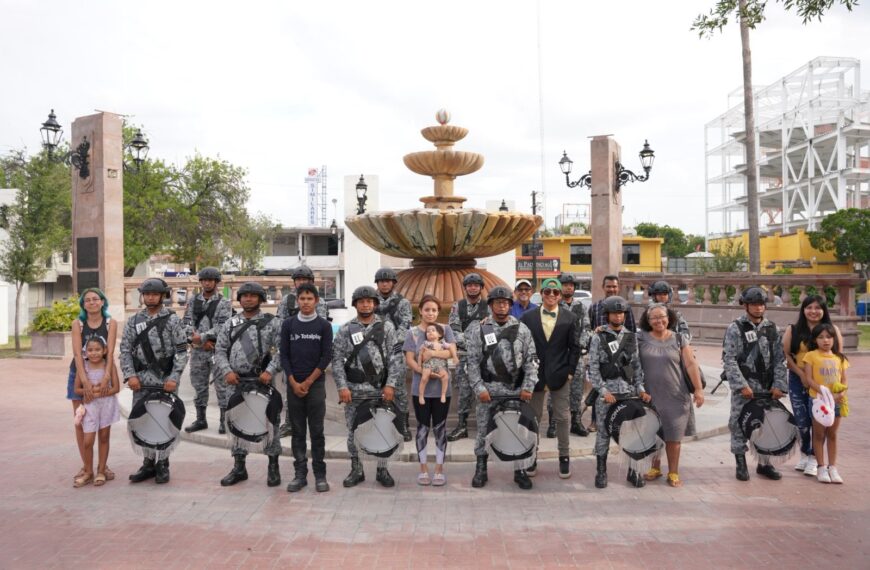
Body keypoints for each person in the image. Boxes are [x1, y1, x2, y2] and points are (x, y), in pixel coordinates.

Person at [467, 286, 538, 490]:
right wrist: (479, 388)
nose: (502, 306)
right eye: (498, 302)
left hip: (516, 391)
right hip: (489, 391)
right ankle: (481, 469)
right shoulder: (481, 329)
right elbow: (471, 363)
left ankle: (520, 470)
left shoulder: (522, 329)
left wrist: (528, 386)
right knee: (483, 432)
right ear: (490, 305)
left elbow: (531, 360)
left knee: (519, 431)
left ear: (510, 304)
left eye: (506, 302)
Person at [333, 286, 404, 488]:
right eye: (361, 301)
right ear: (355, 304)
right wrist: (341, 387)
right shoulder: (346, 329)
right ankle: (357, 469)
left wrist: (390, 385)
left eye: (369, 301)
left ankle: (382, 469)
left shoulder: (387, 328)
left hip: (380, 390)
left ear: (375, 304)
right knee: (353, 431)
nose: (366, 304)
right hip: (353, 391)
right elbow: (337, 360)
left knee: (383, 429)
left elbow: (396, 359)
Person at [215, 282, 284, 488]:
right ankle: (239, 467)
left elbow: (282, 351)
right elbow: (219, 350)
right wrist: (226, 371)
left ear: (261, 299)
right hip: (235, 383)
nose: (248, 299)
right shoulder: (230, 323)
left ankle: (273, 466)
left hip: (262, 382)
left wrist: (269, 371)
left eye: (253, 296)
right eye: (244, 296)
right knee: (236, 424)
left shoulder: (272, 323)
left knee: (270, 424)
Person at [120, 278, 189, 484]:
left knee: (164, 422)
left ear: (162, 296)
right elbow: (125, 349)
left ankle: (163, 464)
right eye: (147, 294)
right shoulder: (133, 321)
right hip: (140, 381)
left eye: (155, 294)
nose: (150, 297)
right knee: (143, 421)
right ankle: (148, 463)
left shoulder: (172, 320)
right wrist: (130, 374)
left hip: (165, 381)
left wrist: (174, 377)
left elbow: (181, 350)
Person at [722, 286, 788, 482]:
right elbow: (730, 360)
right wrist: (741, 385)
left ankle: (764, 463)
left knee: (767, 425)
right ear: (746, 306)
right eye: (754, 304)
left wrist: (779, 384)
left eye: (761, 304)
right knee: (738, 424)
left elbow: (779, 359)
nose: (758, 308)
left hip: (767, 387)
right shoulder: (736, 328)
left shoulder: (772, 329)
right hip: (745, 387)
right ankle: (740, 462)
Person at [637, 303, 704, 487]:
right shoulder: (640, 338)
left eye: (662, 316)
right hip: (649, 395)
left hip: (676, 395)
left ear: (669, 318)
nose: (658, 320)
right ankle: (655, 468)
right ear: (648, 321)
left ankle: (673, 472)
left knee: (673, 437)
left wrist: (698, 389)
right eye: (654, 318)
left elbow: (691, 364)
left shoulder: (679, 339)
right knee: (653, 433)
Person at [521, 277, 581, 479]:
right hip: (535, 376)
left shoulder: (570, 317)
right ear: (541, 293)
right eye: (548, 292)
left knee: (563, 418)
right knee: (533, 418)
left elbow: (574, 348)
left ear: (560, 295)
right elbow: (521, 344)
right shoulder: (528, 317)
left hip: (560, 374)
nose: (552, 296)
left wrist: (570, 371)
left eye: (556, 293)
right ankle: (531, 456)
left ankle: (564, 457)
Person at [587, 296, 649, 489]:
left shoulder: (631, 337)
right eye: (614, 313)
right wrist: (603, 391)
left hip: (628, 394)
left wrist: (640, 389)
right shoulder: (598, 337)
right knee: (604, 433)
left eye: (620, 313)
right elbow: (593, 368)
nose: (618, 316)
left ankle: (633, 471)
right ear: (607, 315)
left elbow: (637, 366)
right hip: (607, 396)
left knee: (631, 432)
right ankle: (601, 471)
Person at [279, 283, 333, 493]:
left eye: (310, 299)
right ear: (297, 301)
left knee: (317, 432)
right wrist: (293, 382)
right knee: (298, 432)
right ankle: (300, 474)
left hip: (315, 385)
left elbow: (326, 356)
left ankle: (320, 475)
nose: (306, 302)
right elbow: (284, 355)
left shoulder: (323, 326)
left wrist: (309, 382)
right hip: (294, 385)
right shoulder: (288, 325)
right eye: (302, 299)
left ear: (316, 301)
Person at [781, 295, 843, 476]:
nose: (813, 311)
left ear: (824, 310)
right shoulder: (793, 330)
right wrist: (801, 375)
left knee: (820, 419)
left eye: (818, 307)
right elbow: (786, 355)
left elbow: (838, 359)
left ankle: (815, 458)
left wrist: (838, 387)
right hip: (797, 379)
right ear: (803, 310)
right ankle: (805, 453)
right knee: (802, 420)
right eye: (809, 307)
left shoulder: (832, 331)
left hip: (823, 384)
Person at [404, 295, 458, 486]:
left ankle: (439, 469)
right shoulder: (413, 333)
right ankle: (424, 469)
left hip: (442, 390)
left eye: (434, 310)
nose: (430, 313)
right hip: (421, 391)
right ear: (420, 311)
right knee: (422, 429)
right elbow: (409, 358)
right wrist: (422, 370)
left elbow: (451, 352)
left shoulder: (446, 330)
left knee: (441, 428)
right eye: (427, 309)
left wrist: (432, 355)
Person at [69, 288, 118, 484]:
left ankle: (102, 467)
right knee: (82, 422)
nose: (91, 302)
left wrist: (107, 377)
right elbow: (77, 354)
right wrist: (85, 381)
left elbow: (111, 353)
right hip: (80, 374)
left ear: (102, 302)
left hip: (104, 374)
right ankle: (87, 466)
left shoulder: (110, 323)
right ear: (83, 304)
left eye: (95, 299)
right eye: (87, 300)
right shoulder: (78, 324)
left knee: (103, 426)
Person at [276, 265, 330, 439]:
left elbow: (318, 321)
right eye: (298, 279)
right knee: (289, 391)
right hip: (292, 348)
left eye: (305, 280)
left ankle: (316, 427)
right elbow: (280, 323)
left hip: (313, 350)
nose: (301, 282)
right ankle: (289, 423)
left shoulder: (318, 301)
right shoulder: (287, 300)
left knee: (317, 397)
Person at [181, 267, 233, 434]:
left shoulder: (224, 303)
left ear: (216, 282)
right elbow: (186, 324)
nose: (207, 283)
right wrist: (197, 341)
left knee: (222, 386)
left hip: (218, 350)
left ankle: (224, 421)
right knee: (199, 385)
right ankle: (201, 419)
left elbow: (224, 326)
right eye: (204, 280)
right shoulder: (193, 301)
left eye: (210, 280)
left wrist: (202, 336)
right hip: (198, 351)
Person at [586, 275, 635, 434]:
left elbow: (631, 330)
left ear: (618, 287)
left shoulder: (625, 307)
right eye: (608, 286)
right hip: (602, 352)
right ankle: (595, 421)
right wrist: (597, 332)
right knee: (598, 390)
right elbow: (589, 330)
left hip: (621, 355)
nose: (611, 289)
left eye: (614, 286)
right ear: (603, 287)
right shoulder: (594, 308)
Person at [801, 323, 849, 484]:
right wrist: (824, 392)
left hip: (836, 402)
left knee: (833, 434)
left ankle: (832, 467)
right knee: (819, 434)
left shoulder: (839, 358)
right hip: (818, 401)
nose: (825, 340)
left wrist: (840, 393)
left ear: (834, 339)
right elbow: (809, 379)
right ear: (815, 340)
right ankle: (821, 467)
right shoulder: (811, 356)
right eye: (821, 337)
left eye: (828, 337)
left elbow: (844, 380)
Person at [446, 273, 490, 442]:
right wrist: (472, 343)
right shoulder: (458, 306)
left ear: (480, 287)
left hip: (483, 357)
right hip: (464, 355)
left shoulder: (488, 307)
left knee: (484, 390)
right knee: (464, 391)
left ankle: (485, 425)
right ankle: (462, 425)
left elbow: (492, 329)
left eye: (476, 285)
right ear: (465, 288)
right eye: (469, 285)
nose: (472, 287)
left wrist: (478, 346)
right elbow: (453, 330)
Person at [72, 336, 121, 488]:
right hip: (90, 407)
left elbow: (116, 388)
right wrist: (96, 389)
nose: (94, 353)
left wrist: (94, 392)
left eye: (98, 350)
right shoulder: (84, 367)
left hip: (106, 405)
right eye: (90, 350)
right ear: (86, 352)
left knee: (104, 437)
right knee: (88, 441)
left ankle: (101, 471)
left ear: (104, 350)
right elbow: (77, 389)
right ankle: (88, 472)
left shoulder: (109, 365)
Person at [547, 272, 591, 438]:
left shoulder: (581, 307)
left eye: (571, 285)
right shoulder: (553, 306)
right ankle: (553, 423)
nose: (568, 287)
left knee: (577, 390)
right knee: (555, 389)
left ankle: (576, 422)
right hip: (558, 355)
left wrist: (580, 344)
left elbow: (586, 328)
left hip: (576, 355)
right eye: (565, 285)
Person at [373, 267, 414, 442]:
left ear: (393, 283)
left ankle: (403, 424)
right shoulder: (370, 300)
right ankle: (379, 423)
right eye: (381, 281)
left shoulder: (402, 303)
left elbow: (405, 324)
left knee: (399, 389)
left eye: (387, 281)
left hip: (396, 348)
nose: (384, 284)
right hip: (375, 349)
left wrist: (392, 342)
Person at [416, 323, 457, 405]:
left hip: (440, 365)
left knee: (445, 376)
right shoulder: (425, 343)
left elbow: (452, 347)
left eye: (433, 330)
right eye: (428, 331)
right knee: (424, 378)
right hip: (428, 364)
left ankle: (443, 394)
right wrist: (419, 365)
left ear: (440, 334)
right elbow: (420, 354)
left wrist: (455, 356)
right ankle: (421, 395)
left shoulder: (443, 343)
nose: (430, 332)